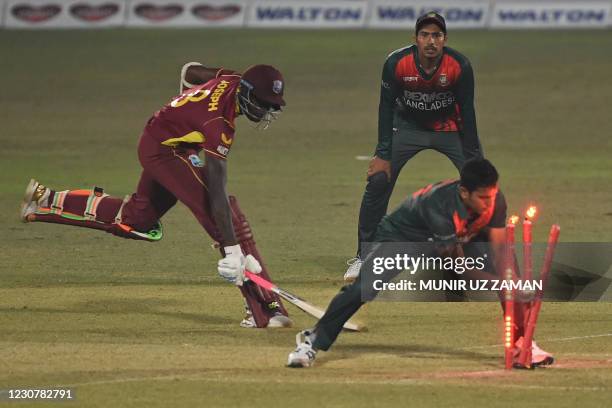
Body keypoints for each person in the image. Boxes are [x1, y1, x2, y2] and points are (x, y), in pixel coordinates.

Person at [19, 63, 292, 329]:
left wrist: (181, 107)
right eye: (262, 102)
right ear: (244, 91)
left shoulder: (230, 77)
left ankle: (46, 199)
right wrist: (232, 252)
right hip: (166, 152)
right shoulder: (218, 124)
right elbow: (217, 197)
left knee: (138, 220)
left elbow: (190, 71)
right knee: (224, 218)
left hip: (165, 139)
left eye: (272, 105)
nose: (267, 109)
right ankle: (265, 309)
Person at [287, 159, 554, 368]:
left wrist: (513, 282)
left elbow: (499, 249)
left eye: (493, 196)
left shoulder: (494, 200)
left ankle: (522, 343)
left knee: (509, 269)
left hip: (457, 237)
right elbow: (460, 271)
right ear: (464, 192)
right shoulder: (439, 206)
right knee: (364, 289)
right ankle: (313, 341)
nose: (490, 203)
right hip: (403, 237)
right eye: (483, 198)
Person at [346, 12, 483, 281]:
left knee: (481, 188)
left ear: (444, 39)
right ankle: (365, 256)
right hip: (407, 128)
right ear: (415, 38)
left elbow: (468, 113)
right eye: (425, 35)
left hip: (449, 129)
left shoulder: (459, 66)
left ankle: (482, 255)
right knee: (377, 181)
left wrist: (475, 160)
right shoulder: (397, 63)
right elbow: (385, 107)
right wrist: (383, 154)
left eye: (437, 35)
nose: (431, 41)